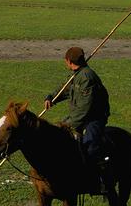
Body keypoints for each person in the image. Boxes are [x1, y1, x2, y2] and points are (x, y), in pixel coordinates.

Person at [44, 46, 111, 194]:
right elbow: (66, 89)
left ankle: (100, 180)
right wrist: (52, 98)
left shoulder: (87, 78)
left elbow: (84, 110)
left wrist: (67, 124)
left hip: (93, 118)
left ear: (69, 61)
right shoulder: (77, 75)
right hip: (79, 116)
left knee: (90, 144)